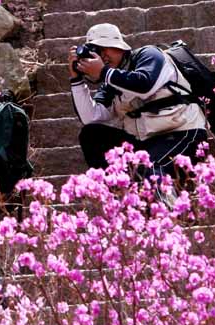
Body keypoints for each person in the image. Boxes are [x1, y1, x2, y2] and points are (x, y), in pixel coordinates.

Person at [69, 23, 207, 201]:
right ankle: (120, 200)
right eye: (96, 50)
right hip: (145, 142)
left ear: (119, 46)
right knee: (91, 134)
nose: (103, 55)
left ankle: (171, 218)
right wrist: (76, 79)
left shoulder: (149, 55)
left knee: (150, 168)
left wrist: (103, 72)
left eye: (105, 48)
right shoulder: (110, 80)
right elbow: (90, 117)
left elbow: (145, 84)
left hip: (182, 132)